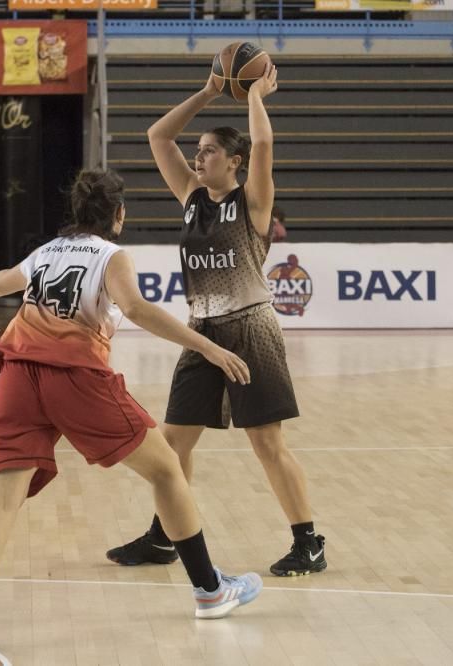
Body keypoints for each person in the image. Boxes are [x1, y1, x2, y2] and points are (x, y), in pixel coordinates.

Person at [0, 169, 262, 652]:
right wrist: (206, 347)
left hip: (18, 377)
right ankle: (209, 591)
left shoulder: (47, 251)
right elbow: (137, 308)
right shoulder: (112, 255)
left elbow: (9, 278)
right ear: (118, 215)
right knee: (168, 470)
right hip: (76, 378)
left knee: (2, 498)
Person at [105, 63, 327, 577]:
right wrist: (209, 90)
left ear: (235, 162)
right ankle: (165, 537)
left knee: (267, 443)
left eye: (208, 151)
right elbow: (158, 135)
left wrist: (254, 95)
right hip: (202, 332)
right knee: (172, 443)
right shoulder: (191, 198)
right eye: (198, 150)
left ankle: (309, 541)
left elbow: (265, 149)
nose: (198, 156)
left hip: (252, 329)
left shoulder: (252, 204)